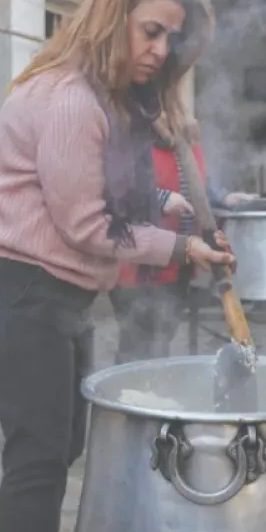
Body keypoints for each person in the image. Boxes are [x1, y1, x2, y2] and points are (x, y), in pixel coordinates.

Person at [0, 0, 231, 532]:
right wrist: (182, 246)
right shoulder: (72, 102)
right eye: (151, 31)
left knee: (62, 446)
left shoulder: (108, 97)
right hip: (20, 287)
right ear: (114, 16)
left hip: (60, 289)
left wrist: (178, 210)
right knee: (37, 454)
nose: (160, 50)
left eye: (171, 38)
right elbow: (87, 225)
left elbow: (117, 193)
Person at [108, 133, 205, 364]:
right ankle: (129, 385)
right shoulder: (130, 141)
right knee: (136, 341)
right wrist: (160, 199)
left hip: (179, 262)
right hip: (136, 264)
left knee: (162, 340)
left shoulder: (188, 145)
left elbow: (200, 189)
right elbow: (117, 193)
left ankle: (155, 383)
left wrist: (224, 196)